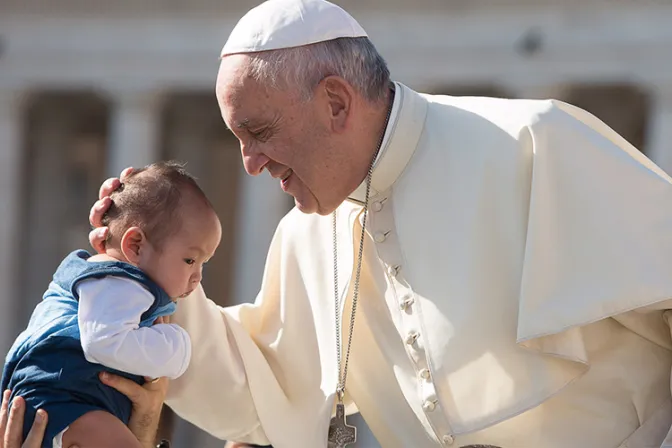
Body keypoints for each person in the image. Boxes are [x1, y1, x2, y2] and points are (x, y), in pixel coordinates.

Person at [7, 0, 672, 446]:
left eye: (260, 132)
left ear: (335, 103)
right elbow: (261, 384)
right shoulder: (307, 232)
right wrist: (142, 266)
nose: (250, 164)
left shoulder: (538, 146)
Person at [1, 162, 221, 448]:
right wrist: (176, 346)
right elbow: (103, 342)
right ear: (136, 246)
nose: (197, 278)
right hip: (63, 397)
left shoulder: (107, 281)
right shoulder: (119, 283)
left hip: (60, 398)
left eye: (204, 264)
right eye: (190, 261)